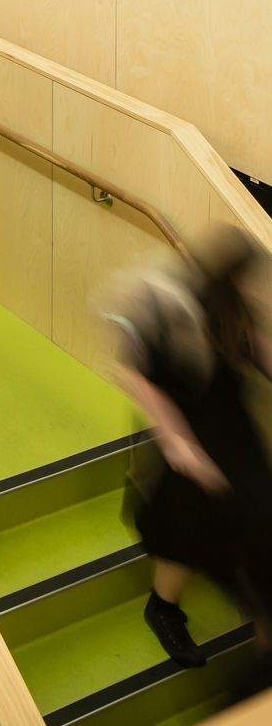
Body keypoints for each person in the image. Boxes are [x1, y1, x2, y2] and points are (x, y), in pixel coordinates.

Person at [107, 230, 272, 683]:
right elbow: (135, 373)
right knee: (184, 529)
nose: (256, 289)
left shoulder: (233, 305)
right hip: (189, 434)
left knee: (257, 515)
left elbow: (255, 347)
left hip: (231, 428)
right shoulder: (169, 305)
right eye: (248, 281)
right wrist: (177, 441)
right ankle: (163, 609)